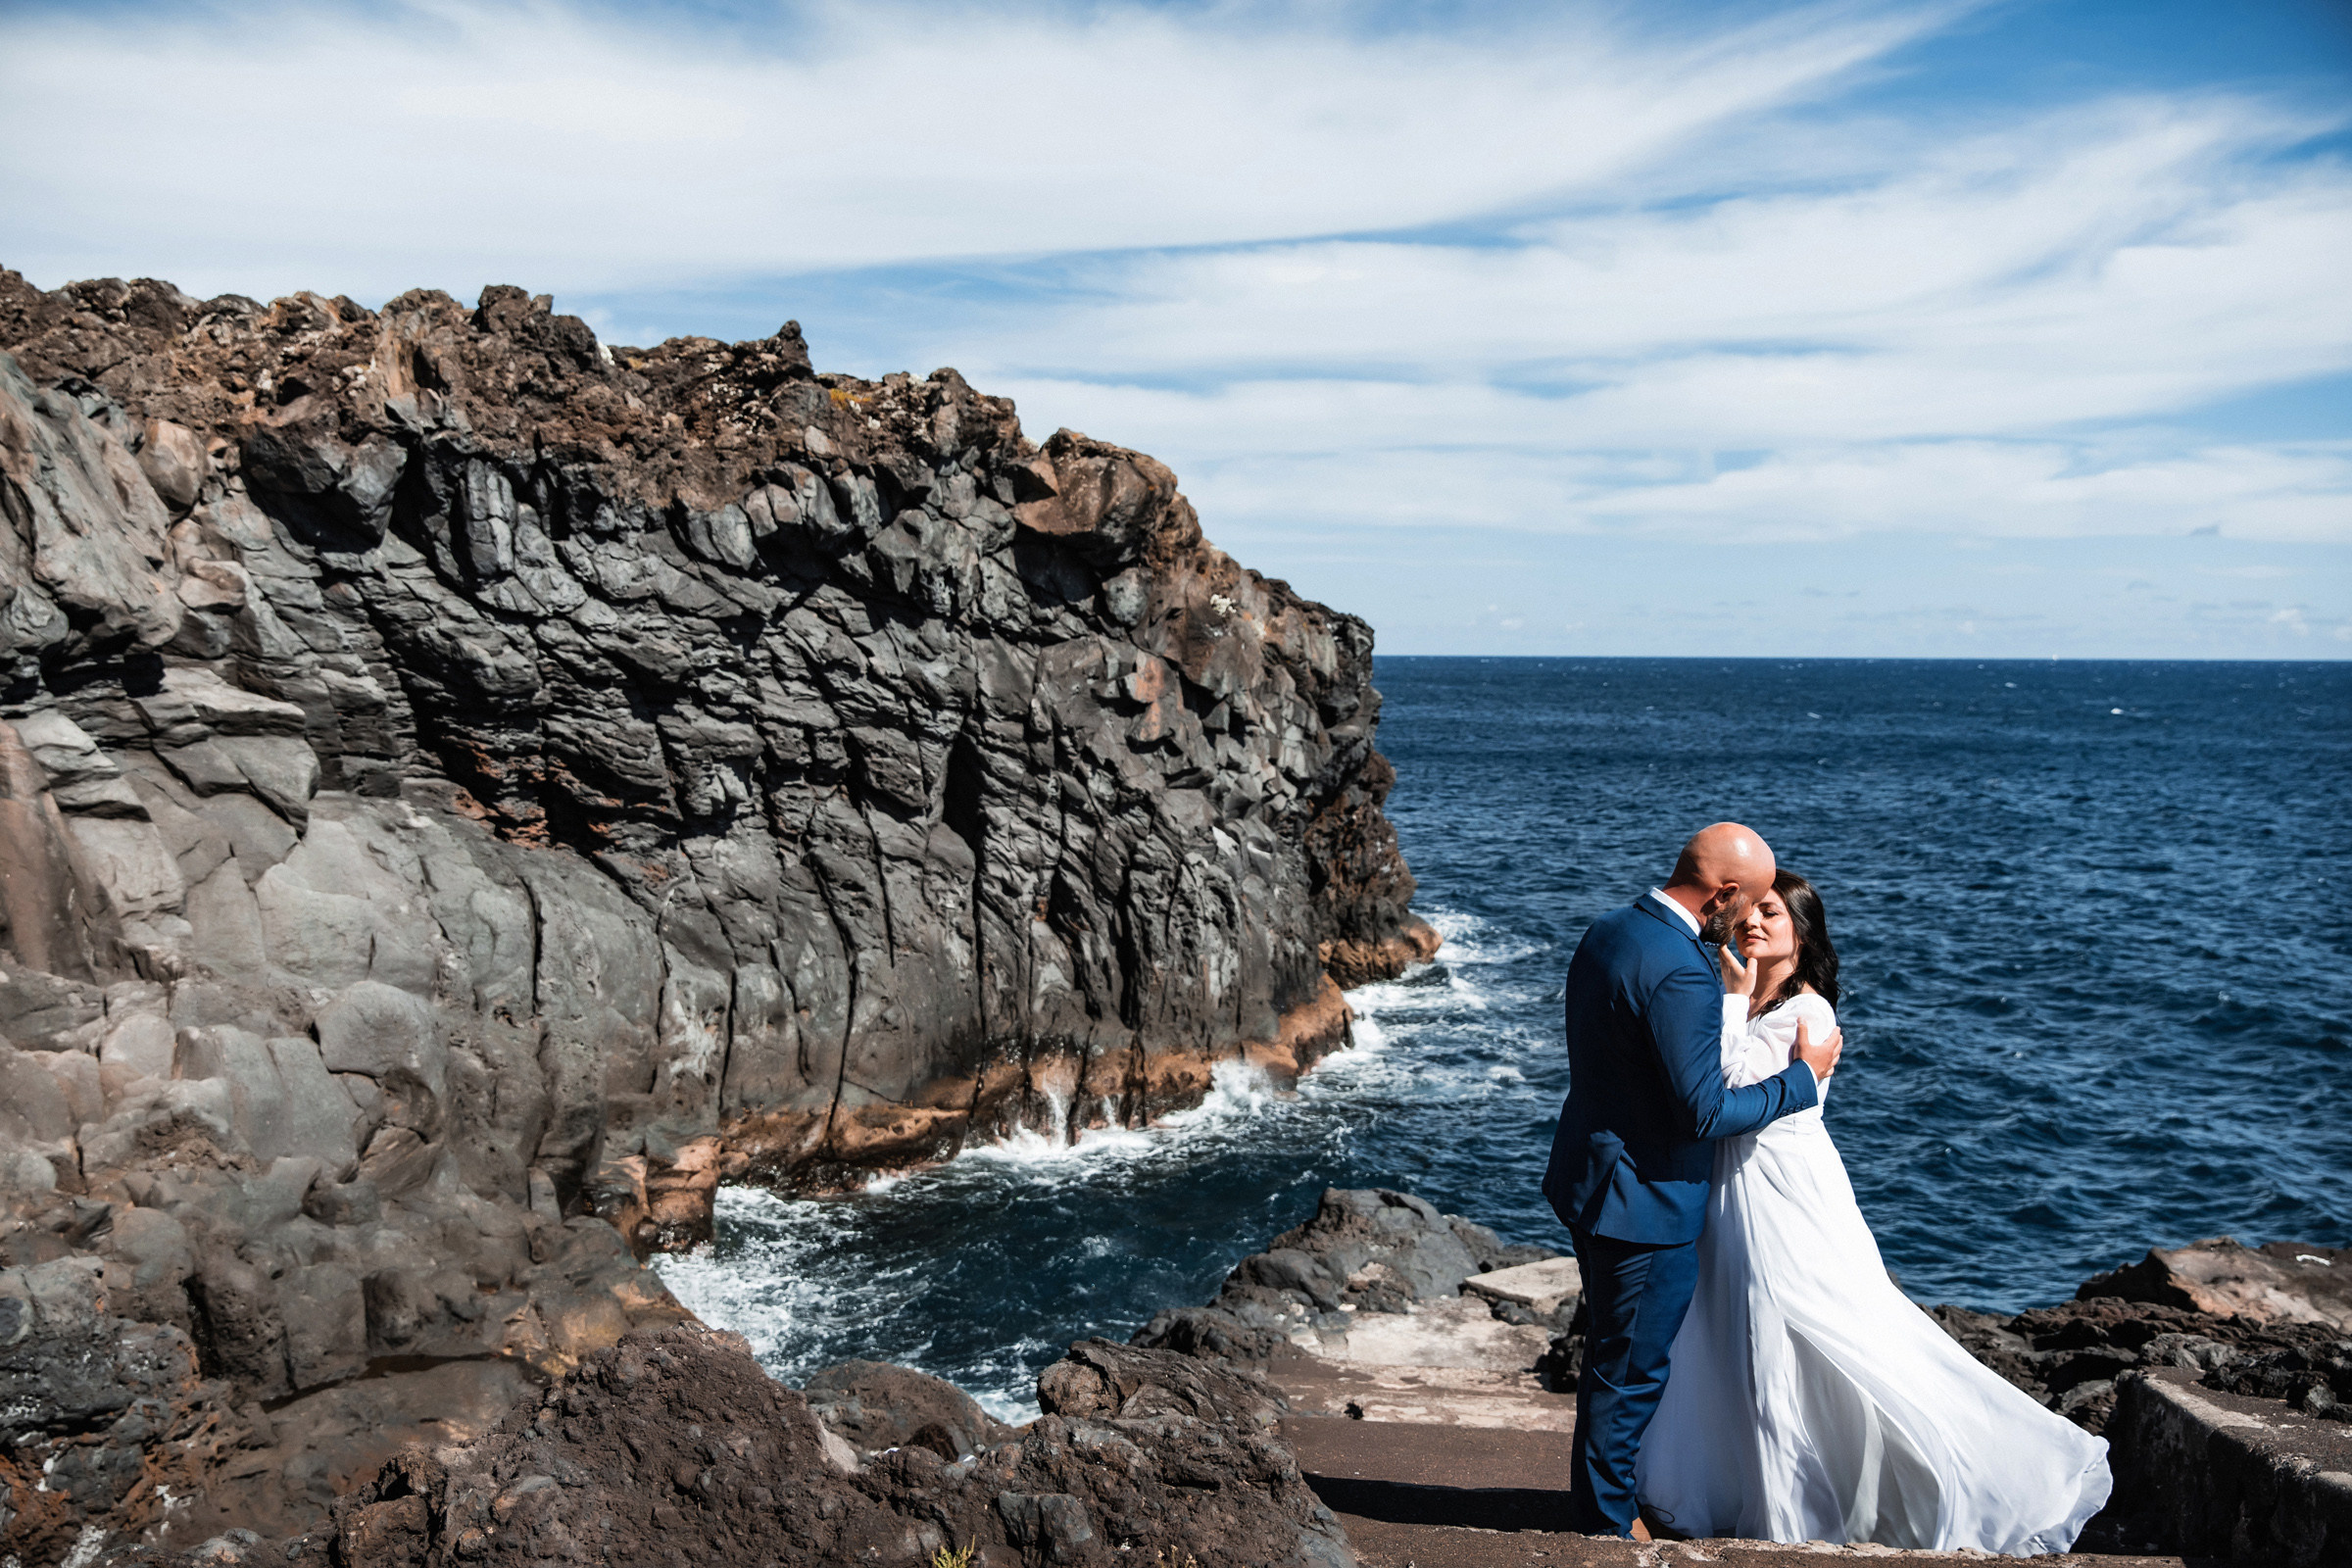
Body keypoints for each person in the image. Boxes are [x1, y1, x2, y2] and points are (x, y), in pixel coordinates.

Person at [1637, 871, 2112, 1550]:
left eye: (1771, 913)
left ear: (1802, 932)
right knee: (1728, 1337)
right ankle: (1747, 1488)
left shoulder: (1810, 1013)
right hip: (1731, 1194)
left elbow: (1724, 1099)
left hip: (1780, 1193)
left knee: (1790, 1332)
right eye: (1746, 911)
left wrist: (1734, 1000)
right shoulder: (1748, 1001)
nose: (1753, 924)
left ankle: (1831, 1502)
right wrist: (1736, 1000)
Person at [1541, 824, 1842, 1539]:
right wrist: (1802, 1081)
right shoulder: (1681, 968)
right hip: (1645, 1201)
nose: (1754, 921)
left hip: (1590, 1177)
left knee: (1613, 1358)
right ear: (1725, 894)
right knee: (1629, 1371)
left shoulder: (1612, 929)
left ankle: (1608, 1501)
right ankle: (1607, 1526)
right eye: (1753, 905)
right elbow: (1706, 1109)